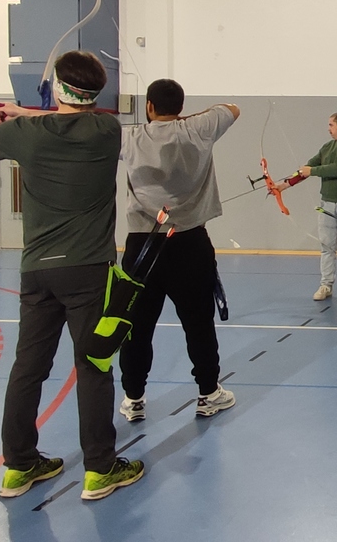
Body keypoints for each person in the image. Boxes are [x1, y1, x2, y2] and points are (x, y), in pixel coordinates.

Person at [0, 51, 144, 502]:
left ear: (57, 88)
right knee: (94, 366)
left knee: (29, 368)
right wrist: (23, 113)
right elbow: (71, 119)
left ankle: (19, 466)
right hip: (89, 271)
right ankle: (100, 469)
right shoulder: (107, 131)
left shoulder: (23, 135)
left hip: (38, 272)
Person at [117, 79, 239, 423]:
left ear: (149, 106)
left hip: (143, 245)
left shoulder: (130, 136)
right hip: (190, 244)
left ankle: (134, 398)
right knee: (199, 324)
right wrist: (188, 120)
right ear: (181, 108)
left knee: (136, 327)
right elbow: (232, 109)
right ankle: (208, 393)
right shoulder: (199, 127)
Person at [278, 112, 337, 301]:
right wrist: (284, 185)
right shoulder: (327, 147)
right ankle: (326, 285)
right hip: (327, 205)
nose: (329, 129)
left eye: (331, 125)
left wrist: (312, 171)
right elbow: (306, 169)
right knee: (327, 248)